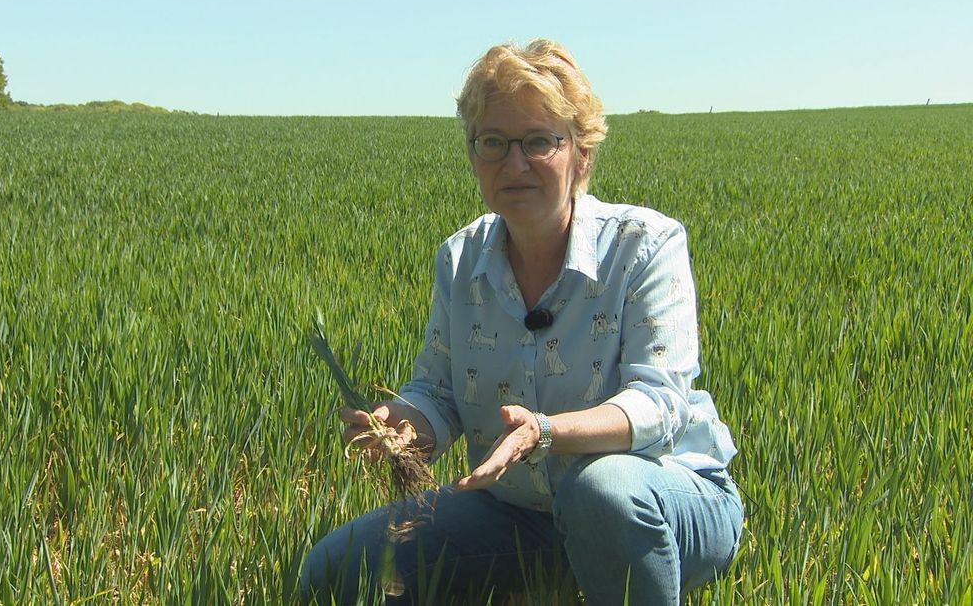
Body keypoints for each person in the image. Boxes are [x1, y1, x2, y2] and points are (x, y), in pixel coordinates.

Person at [301, 39, 744, 605]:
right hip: (520, 512)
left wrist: (548, 431)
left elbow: (660, 402)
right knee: (334, 570)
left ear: (581, 154)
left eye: (539, 141)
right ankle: (569, 571)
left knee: (602, 487)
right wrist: (403, 425)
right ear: (473, 155)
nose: (514, 163)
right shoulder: (461, 260)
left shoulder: (645, 246)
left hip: (664, 501)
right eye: (494, 142)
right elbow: (438, 390)